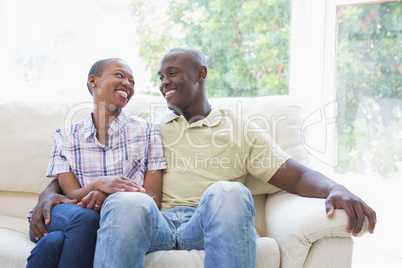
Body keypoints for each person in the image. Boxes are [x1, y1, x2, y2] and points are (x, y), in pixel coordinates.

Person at [30, 48, 377, 268]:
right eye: (161, 77)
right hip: (156, 225)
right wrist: (49, 194)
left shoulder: (240, 129)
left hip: (206, 223)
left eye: (173, 74)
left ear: (201, 74)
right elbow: (74, 170)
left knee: (228, 192)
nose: (165, 82)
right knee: (125, 203)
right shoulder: (148, 129)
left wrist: (336, 187)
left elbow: (296, 176)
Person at [26, 58, 166, 268]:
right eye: (119, 75)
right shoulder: (66, 136)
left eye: (132, 81)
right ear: (93, 81)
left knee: (53, 243)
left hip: (114, 220)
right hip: (67, 216)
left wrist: (108, 196)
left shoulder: (147, 131)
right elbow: (71, 194)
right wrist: (98, 184)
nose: (128, 84)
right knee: (85, 219)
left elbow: (152, 200)